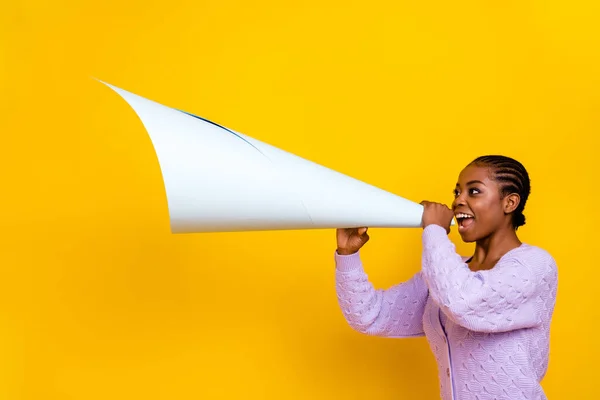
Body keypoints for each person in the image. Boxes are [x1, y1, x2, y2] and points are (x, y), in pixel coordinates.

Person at [334, 155, 558, 400]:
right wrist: (348, 254)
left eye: (474, 191)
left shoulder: (534, 265)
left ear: (510, 202)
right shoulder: (446, 273)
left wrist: (435, 231)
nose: (458, 200)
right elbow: (369, 316)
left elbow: (462, 303)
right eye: (457, 191)